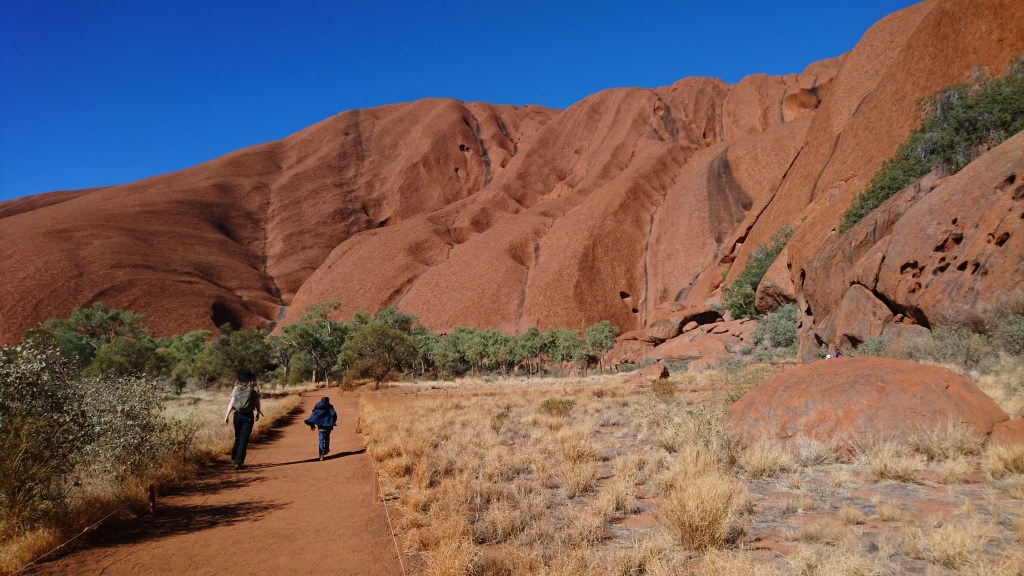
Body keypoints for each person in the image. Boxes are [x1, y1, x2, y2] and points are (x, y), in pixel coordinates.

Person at [224, 369, 263, 469]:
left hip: (237, 415)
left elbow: (231, 403)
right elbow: (258, 403)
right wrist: (258, 413)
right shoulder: (254, 389)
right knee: (244, 439)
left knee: (238, 436)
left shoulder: (236, 388)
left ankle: (234, 456)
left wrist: (226, 416)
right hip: (248, 416)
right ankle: (238, 461)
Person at [304, 396, 338, 461]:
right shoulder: (329, 407)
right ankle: (326, 449)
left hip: (321, 428)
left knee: (321, 440)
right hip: (328, 426)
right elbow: (333, 414)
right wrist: (333, 421)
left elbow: (312, 418)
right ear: (328, 401)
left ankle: (321, 456)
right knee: (327, 437)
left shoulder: (317, 408)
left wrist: (312, 425)